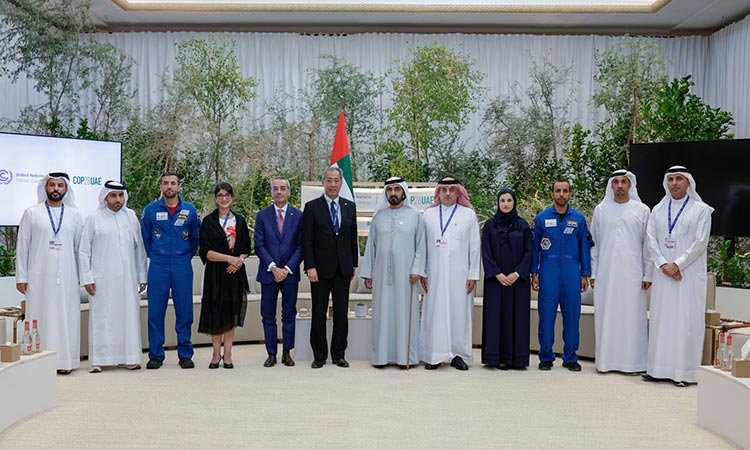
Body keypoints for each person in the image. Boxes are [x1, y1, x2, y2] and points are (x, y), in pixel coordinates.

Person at [644, 165, 713, 387]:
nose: (674, 183)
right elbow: (651, 240)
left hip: (688, 276)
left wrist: (678, 264)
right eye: (671, 179)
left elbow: (700, 243)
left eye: (679, 179)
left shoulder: (701, 210)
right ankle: (657, 369)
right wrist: (664, 264)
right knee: (661, 320)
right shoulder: (658, 210)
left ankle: (684, 373)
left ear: (688, 183)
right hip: (664, 274)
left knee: (685, 321)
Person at [15, 172, 84, 374]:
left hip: (68, 277)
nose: (55, 189)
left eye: (60, 186)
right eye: (52, 185)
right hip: (39, 277)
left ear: (66, 189)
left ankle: (65, 361)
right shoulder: (32, 213)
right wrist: (21, 277)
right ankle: (38, 361)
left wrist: (83, 276)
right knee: (40, 315)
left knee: (66, 316)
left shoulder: (75, 215)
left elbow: (80, 249)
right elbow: (22, 247)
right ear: (45, 188)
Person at [79, 181, 148, 373]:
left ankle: (129, 357)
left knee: (128, 316)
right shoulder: (94, 218)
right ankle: (99, 360)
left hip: (128, 279)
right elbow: (84, 251)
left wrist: (142, 276)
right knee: (102, 317)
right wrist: (87, 278)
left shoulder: (131, 216)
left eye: (121, 195)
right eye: (113, 196)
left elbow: (139, 248)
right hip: (102, 279)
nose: (118, 200)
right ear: (105, 197)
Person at [590, 170, 653, 374]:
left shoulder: (642, 210)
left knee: (632, 317)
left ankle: (633, 364)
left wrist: (648, 274)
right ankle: (606, 362)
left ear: (630, 185)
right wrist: (593, 273)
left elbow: (648, 245)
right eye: (616, 182)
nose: (619, 186)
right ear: (611, 185)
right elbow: (594, 244)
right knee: (607, 315)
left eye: (623, 182)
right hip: (606, 275)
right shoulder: (601, 210)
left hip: (633, 274)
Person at [361, 177, 426, 368]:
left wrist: (417, 270)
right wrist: (368, 274)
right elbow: (371, 249)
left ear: (404, 192)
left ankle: (406, 357)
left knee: (404, 314)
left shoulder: (415, 215)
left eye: (397, 189)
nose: (393, 193)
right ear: (386, 193)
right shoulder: (378, 217)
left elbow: (421, 246)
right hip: (381, 276)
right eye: (389, 190)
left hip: (408, 277)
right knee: (382, 314)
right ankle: (381, 357)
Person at [140, 171, 201, 369]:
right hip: (158, 264)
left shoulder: (190, 211)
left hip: (182, 264)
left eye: (173, 183)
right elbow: (146, 240)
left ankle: (185, 354)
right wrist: (157, 255)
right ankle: (156, 355)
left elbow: (194, 240)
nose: (169, 187)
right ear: (161, 187)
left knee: (184, 310)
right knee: (156, 311)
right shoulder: (150, 210)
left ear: (179, 187)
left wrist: (183, 256)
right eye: (165, 183)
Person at [419, 177, 480, 371]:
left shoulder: (468, 215)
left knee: (459, 312)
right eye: (443, 189)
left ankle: (458, 355)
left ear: (458, 192)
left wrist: (473, 275)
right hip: (434, 273)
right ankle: (434, 355)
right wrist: (423, 271)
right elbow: (421, 247)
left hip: (460, 275)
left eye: (452, 189)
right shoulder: (428, 215)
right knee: (434, 312)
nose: (447, 193)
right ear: (438, 192)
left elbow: (474, 248)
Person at [531, 181, 591, 372]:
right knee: (546, 315)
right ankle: (546, 357)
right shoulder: (541, 219)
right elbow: (534, 249)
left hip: (571, 270)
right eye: (558, 191)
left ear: (570, 194)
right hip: (548, 270)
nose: (561, 194)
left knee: (572, 315)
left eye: (565, 191)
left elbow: (585, 248)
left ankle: (571, 357)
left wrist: (585, 274)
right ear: (552, 194)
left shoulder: (579, 220)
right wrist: (535, 272)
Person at [302, 167, 358, 369]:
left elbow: (352, 239)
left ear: (341, 183)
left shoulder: (349, 206)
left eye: (336, 181)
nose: (333, 185)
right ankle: (319, 355)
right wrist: (310, 266)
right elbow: (306, 240)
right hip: (319, 270)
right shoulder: (312, 207)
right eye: (329, 181)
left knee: (341, 313)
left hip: (343, 269)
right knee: (319, 313)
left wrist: (353, 265)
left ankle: (338, 354)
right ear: (323, 182)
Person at [198, 183, 251, 369]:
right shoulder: (208, 222)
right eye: (220, 195)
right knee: (215, 314)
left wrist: (238, 261)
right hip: (215, 273)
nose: (224, 198)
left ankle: (228, 355)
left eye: (227, 195)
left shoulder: (240, 221)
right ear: (215, 198)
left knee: (230, 315)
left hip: (234, 274)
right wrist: (229, 258)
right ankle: (215, 354)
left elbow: (246, 249)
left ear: (232, 197)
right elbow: (206, 252)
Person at [480, 188, 533, 370]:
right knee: (496, 318)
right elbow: (485, 251)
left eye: (509, 200)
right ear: (498, 202)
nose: (505, 204)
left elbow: (529, 252)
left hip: (518, 282)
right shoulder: (489, 226)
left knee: (517, 318)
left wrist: (517, 273)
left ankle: (517, 360)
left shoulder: (523, 225)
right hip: (496, 281)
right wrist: (498, 274)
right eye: (502, 200)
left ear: (514, 202)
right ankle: (496, 358)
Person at [255, 178, 303, 367]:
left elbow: (301, 246)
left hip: (290, 273)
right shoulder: (262, 215)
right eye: (275, 189)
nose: (279, 192)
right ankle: (271, 353)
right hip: (269, 273)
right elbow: (258, 245)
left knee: (289, 314)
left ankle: (287, 352)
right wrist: (274, 267)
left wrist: (287, 269)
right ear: (272, 192)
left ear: (289, 192)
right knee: (268, 314)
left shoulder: (298, 216)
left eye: (283, 188)